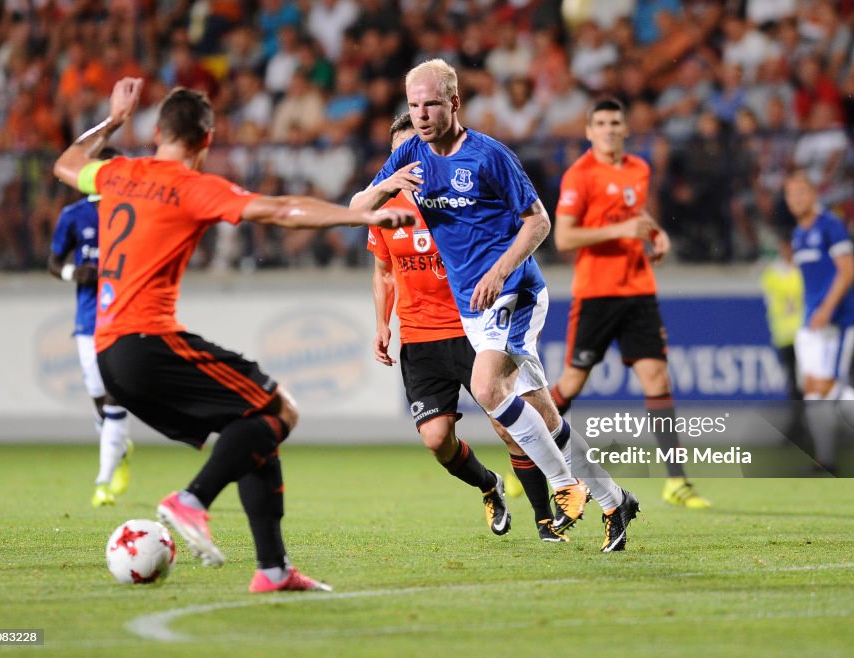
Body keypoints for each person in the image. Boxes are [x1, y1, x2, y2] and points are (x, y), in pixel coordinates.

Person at [53, 78, 415, 592]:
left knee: (249, 430)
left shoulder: (117, 171)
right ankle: (192, 499)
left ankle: (273, 570)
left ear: (156, 131)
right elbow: (282, 209)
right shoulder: (194, 186)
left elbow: (66, 163)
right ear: (207, 141)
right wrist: (361, 215)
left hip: (110, 351)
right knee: (280, 410)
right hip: (147, 341)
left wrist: (112, 120)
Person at [351, 59, 638, 552]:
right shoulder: (411, 157)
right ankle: (614, 500)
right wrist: (387, 187)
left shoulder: (489, 156)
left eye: (431, 104)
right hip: (474, 306)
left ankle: (565, 485)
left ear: (454, 102)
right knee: (544, 417)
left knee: (487, 387)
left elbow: (539, 223)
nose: (420, 115)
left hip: (515, 291)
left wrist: (499, 270)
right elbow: (357, 209)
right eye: (413, 105)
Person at [367, 112, 565, 542]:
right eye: (402, 155)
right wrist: (382, 324)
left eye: (416, 152)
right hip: (419, 337)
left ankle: (545, 519)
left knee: (504, 420)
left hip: (470, 324)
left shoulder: (451, 200)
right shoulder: (384, 211)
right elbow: (383, 270)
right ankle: (489, 485)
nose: (412, 163)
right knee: (437, 440)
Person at [549, 98, 710, 509]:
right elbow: (565, 238)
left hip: (638, 289)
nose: (607, 128)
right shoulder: (579, 175)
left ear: (624, 130)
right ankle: (530, 457)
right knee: (572, 383)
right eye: (599, 122)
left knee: (658, 380)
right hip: (596, 293)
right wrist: (623, 229)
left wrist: (657, 233)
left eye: (614, 122)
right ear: (588, 131)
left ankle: (677, 481)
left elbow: (633, 213)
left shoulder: (639, 169)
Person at [785, 170, 854, 472]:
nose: (796, 199)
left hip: (837, 320)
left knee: (827, 384)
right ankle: (826, 459)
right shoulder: (798, 234)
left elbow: (847, 270)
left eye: (801, 192)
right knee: (812, 388)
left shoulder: (830, 226)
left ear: (813, 194)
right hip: (813, 320)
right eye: (791, 194)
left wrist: (826, 308)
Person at [48, 146, 132, 509]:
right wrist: (72, 273)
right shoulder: (75, 215)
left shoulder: (134, 214)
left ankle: (103, 483)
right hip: (87, 320)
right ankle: (119, 451)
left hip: (125, 317)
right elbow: (53, 261)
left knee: (115, 399)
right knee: (100, 400)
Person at [759, 231, 812, 453]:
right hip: (786, 336)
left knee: (808, 384)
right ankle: (801, 428)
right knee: (795, 384)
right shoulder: (774, 273)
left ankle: (805, 428)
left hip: (806, 335)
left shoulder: (802, 269)